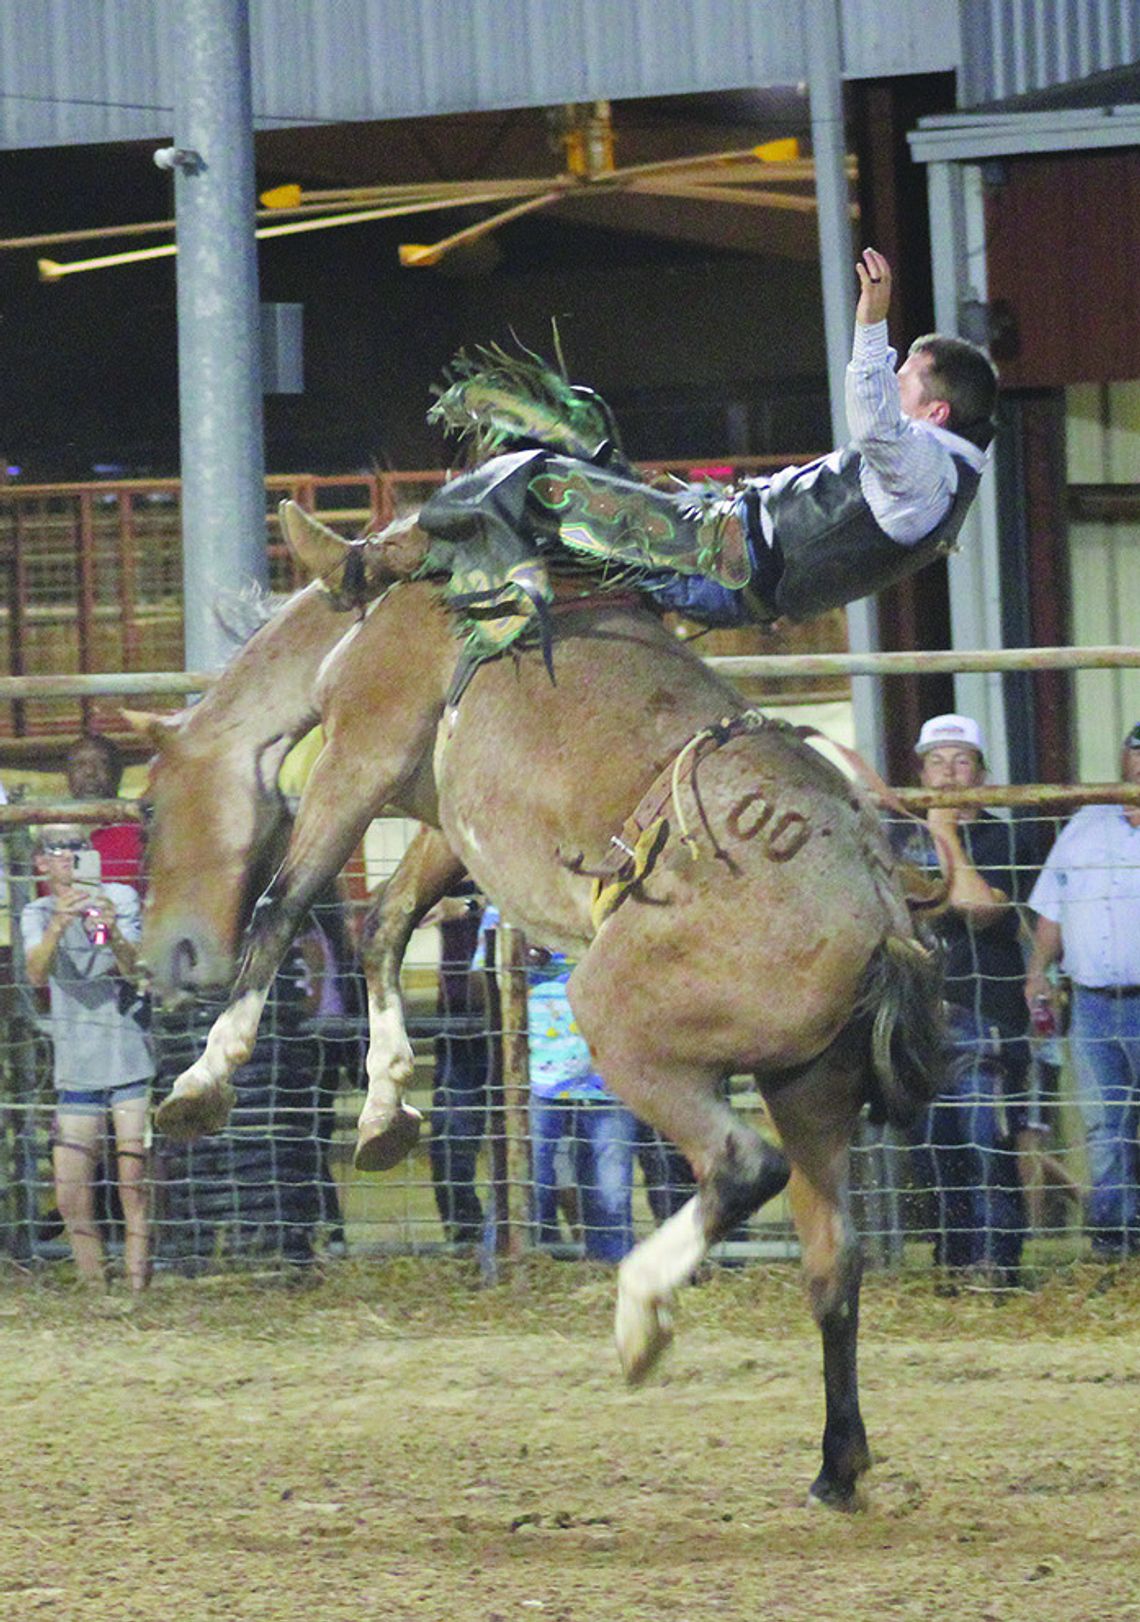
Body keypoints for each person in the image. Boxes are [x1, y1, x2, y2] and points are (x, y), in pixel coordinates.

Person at [890, 714, 1034, 1286]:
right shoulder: (896, 837)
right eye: (937, 762)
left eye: (962, 761)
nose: (948, 774)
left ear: (982, 772)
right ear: (920, 770)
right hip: (918, 1016)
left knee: (985, 1140)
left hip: (987, 1015)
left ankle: (997, 1262)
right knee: (934, 1147)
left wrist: (945, 835)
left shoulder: (1006, 835)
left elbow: (982, 908)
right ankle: (953, 1260)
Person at [21, 824, 154, 1293]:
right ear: (40, 862)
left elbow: (136, 967)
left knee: (133, 1182)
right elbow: (35, 971)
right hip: (76, 1066)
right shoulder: (36, 912)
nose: (69, 857)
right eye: (57, 848)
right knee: (70, 1192)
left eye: (78, 846)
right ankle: (94, 1288)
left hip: (127, 1059)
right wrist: (60, 922)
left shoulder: (119, 896)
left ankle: (138, 1291)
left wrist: (111, 929)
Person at [1025, 720, 1140, 1261]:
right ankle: (1115, 1246)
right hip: (1093, 1003)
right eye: (1133, 758)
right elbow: (1053, 908)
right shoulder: (1085, 826)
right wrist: (1038, 971)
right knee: (1104, 1126)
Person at [478, 906, 636, 1263]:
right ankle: (501, 1272)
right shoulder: (507, 903)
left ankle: (613, 1279)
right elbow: (480, 984)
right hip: (533, 1077)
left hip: (606, 1075)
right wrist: (512, 960)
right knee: (526, 1187)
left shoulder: (610, 904)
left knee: (611, 1195)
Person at [64, 732, 144, 889]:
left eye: (101, 764)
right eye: (79, 765)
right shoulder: (52, 833)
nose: (90, 773)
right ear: (67, 775)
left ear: (118, 773)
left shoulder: (140, 830)